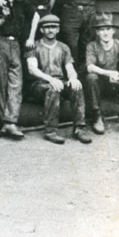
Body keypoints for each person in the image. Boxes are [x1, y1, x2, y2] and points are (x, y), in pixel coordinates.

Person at [25, 14, 92, 145]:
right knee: (53, 89)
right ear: (41, 30)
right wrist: (50, 79)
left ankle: (79, 128)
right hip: (39, 84)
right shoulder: (35, 47)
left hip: (59, 82)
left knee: (76, 87)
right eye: (47, 27)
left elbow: (69, 67)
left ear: (58, 30)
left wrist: (73, 78)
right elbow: (32, 69)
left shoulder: (63, 47)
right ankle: (51, 131)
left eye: (54, 27)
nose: (50, 30)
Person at [0, 0, 39, 140]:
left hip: (16, 43)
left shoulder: (21, 2)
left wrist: (31, 37)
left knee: (16, 82)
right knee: (0, 82)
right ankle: (7, 122)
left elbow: (36, 15)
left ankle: (11, 121)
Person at [84, 12, 119, 137]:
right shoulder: (92, 46)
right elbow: (90, 67)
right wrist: (108, 73)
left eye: (108, 29)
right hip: (100, 84)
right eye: (102, 30)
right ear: (97, 32)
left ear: (113, 31)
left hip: (115, 84)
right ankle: (97, 117)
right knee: (91, 78)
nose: (105, 33)